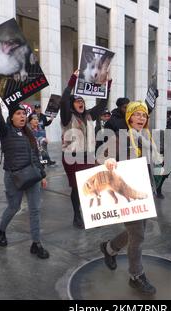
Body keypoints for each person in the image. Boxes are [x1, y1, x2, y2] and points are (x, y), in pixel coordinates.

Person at [100, 101, 162, 296]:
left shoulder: (147, 138)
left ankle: (109, 248)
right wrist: (108, 160)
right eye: (137, 115)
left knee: (137, 231)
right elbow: (100, 156)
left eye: (144, 115)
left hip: (144, 192)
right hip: (127, 194)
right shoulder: (121, 137)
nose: (141, 118)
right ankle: (136, 275)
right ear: (129, 117)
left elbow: (155, 164)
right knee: (138, 235)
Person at [0, 77, 49, 259]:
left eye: (24, 114)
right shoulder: (5, 130)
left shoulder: (29, 133)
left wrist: (42, 174)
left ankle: (36, 243)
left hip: (33, 176)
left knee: (35, 209)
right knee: (13, 207)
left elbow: (36, 156)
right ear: (11, 117)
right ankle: (1, 229)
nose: (22, 117)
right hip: (13, 177)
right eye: (18, 114)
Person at [60, 70, 112, 229]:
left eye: (81, 100)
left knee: (90, 185)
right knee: (77, 188)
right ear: (71, 104)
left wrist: (107, 86)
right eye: (76, 101)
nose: (80, 103)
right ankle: (77, 215)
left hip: (88, 156)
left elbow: (102, 104)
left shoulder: (89, 115)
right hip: (72, 157)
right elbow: (63, 101)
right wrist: (73, 79)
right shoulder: (67, 117)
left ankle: (91, 213)